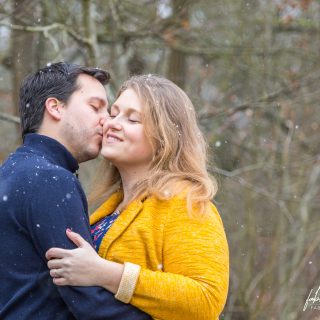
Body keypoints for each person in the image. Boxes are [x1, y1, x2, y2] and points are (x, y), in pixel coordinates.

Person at [46, 74, 230, 320]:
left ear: (164, 138)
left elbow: (205, 299)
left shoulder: (186, 201)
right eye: (114, 113)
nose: (112, 123)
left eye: (132, 119)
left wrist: (107, 274)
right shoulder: (110, 209)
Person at [0, 62, 151, 320]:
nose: (107, 121)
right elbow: (87, 298)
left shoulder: (11, 172)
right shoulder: (49, 179)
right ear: (55, 107)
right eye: (95, 107)